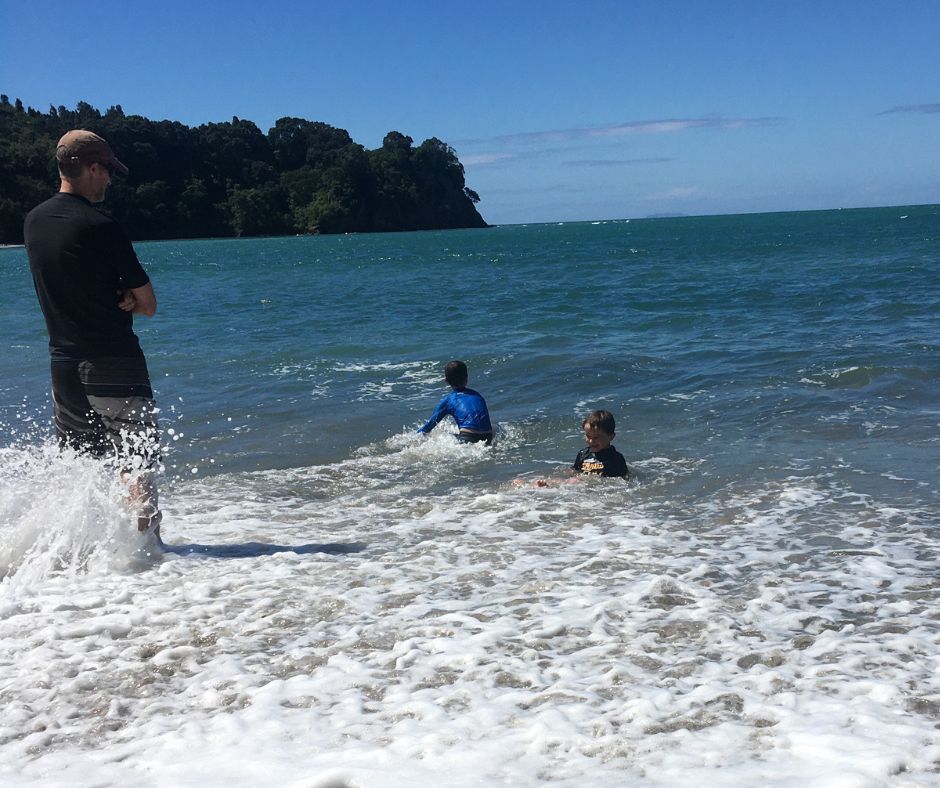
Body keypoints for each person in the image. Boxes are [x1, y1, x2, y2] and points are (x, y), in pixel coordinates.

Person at [24, 130, 162, 537]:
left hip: (63, 368)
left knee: (86, 467)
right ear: (92, 168)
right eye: (107, 172)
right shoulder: (101, 226)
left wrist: (118, 294)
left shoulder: (34, 222)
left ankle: (91, 564)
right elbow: (150, 304)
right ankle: (147, 559)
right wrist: (130, 299)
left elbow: (72, 279)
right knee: (138, 464)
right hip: (112, 362)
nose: (109, 181)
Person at [418, 360, 493, 444]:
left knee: (441, 436)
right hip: (488, 436)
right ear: (466, 378)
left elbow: (428, 426)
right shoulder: (477, 395)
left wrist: (413, 437)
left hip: (468, 437)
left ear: (446, 380)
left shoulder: (448, 400)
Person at [572, 410, 630, 478]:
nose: (591, 441)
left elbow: (625, 479)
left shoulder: (616, 459)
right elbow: (575, 472)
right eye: (588, 436)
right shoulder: (583, 454)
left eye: (596, 437)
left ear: (611, 437)